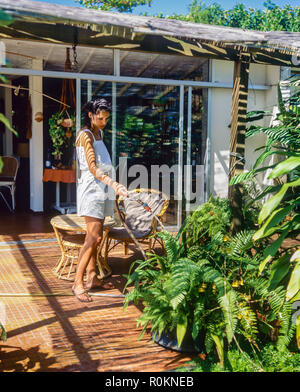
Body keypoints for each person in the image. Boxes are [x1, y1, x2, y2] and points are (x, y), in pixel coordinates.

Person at [72, 98, 128, 302]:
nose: (104, 122)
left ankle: (92, 276)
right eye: (100, 117)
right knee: (93, 237)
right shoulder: (84, 135)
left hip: (103, 190)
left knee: (96, 236)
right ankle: (77, 283)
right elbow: (93, 167)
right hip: (91, 191)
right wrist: (115, 185)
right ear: (90, 115)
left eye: (106, 118)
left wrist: (111, 189)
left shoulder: (100, 133)